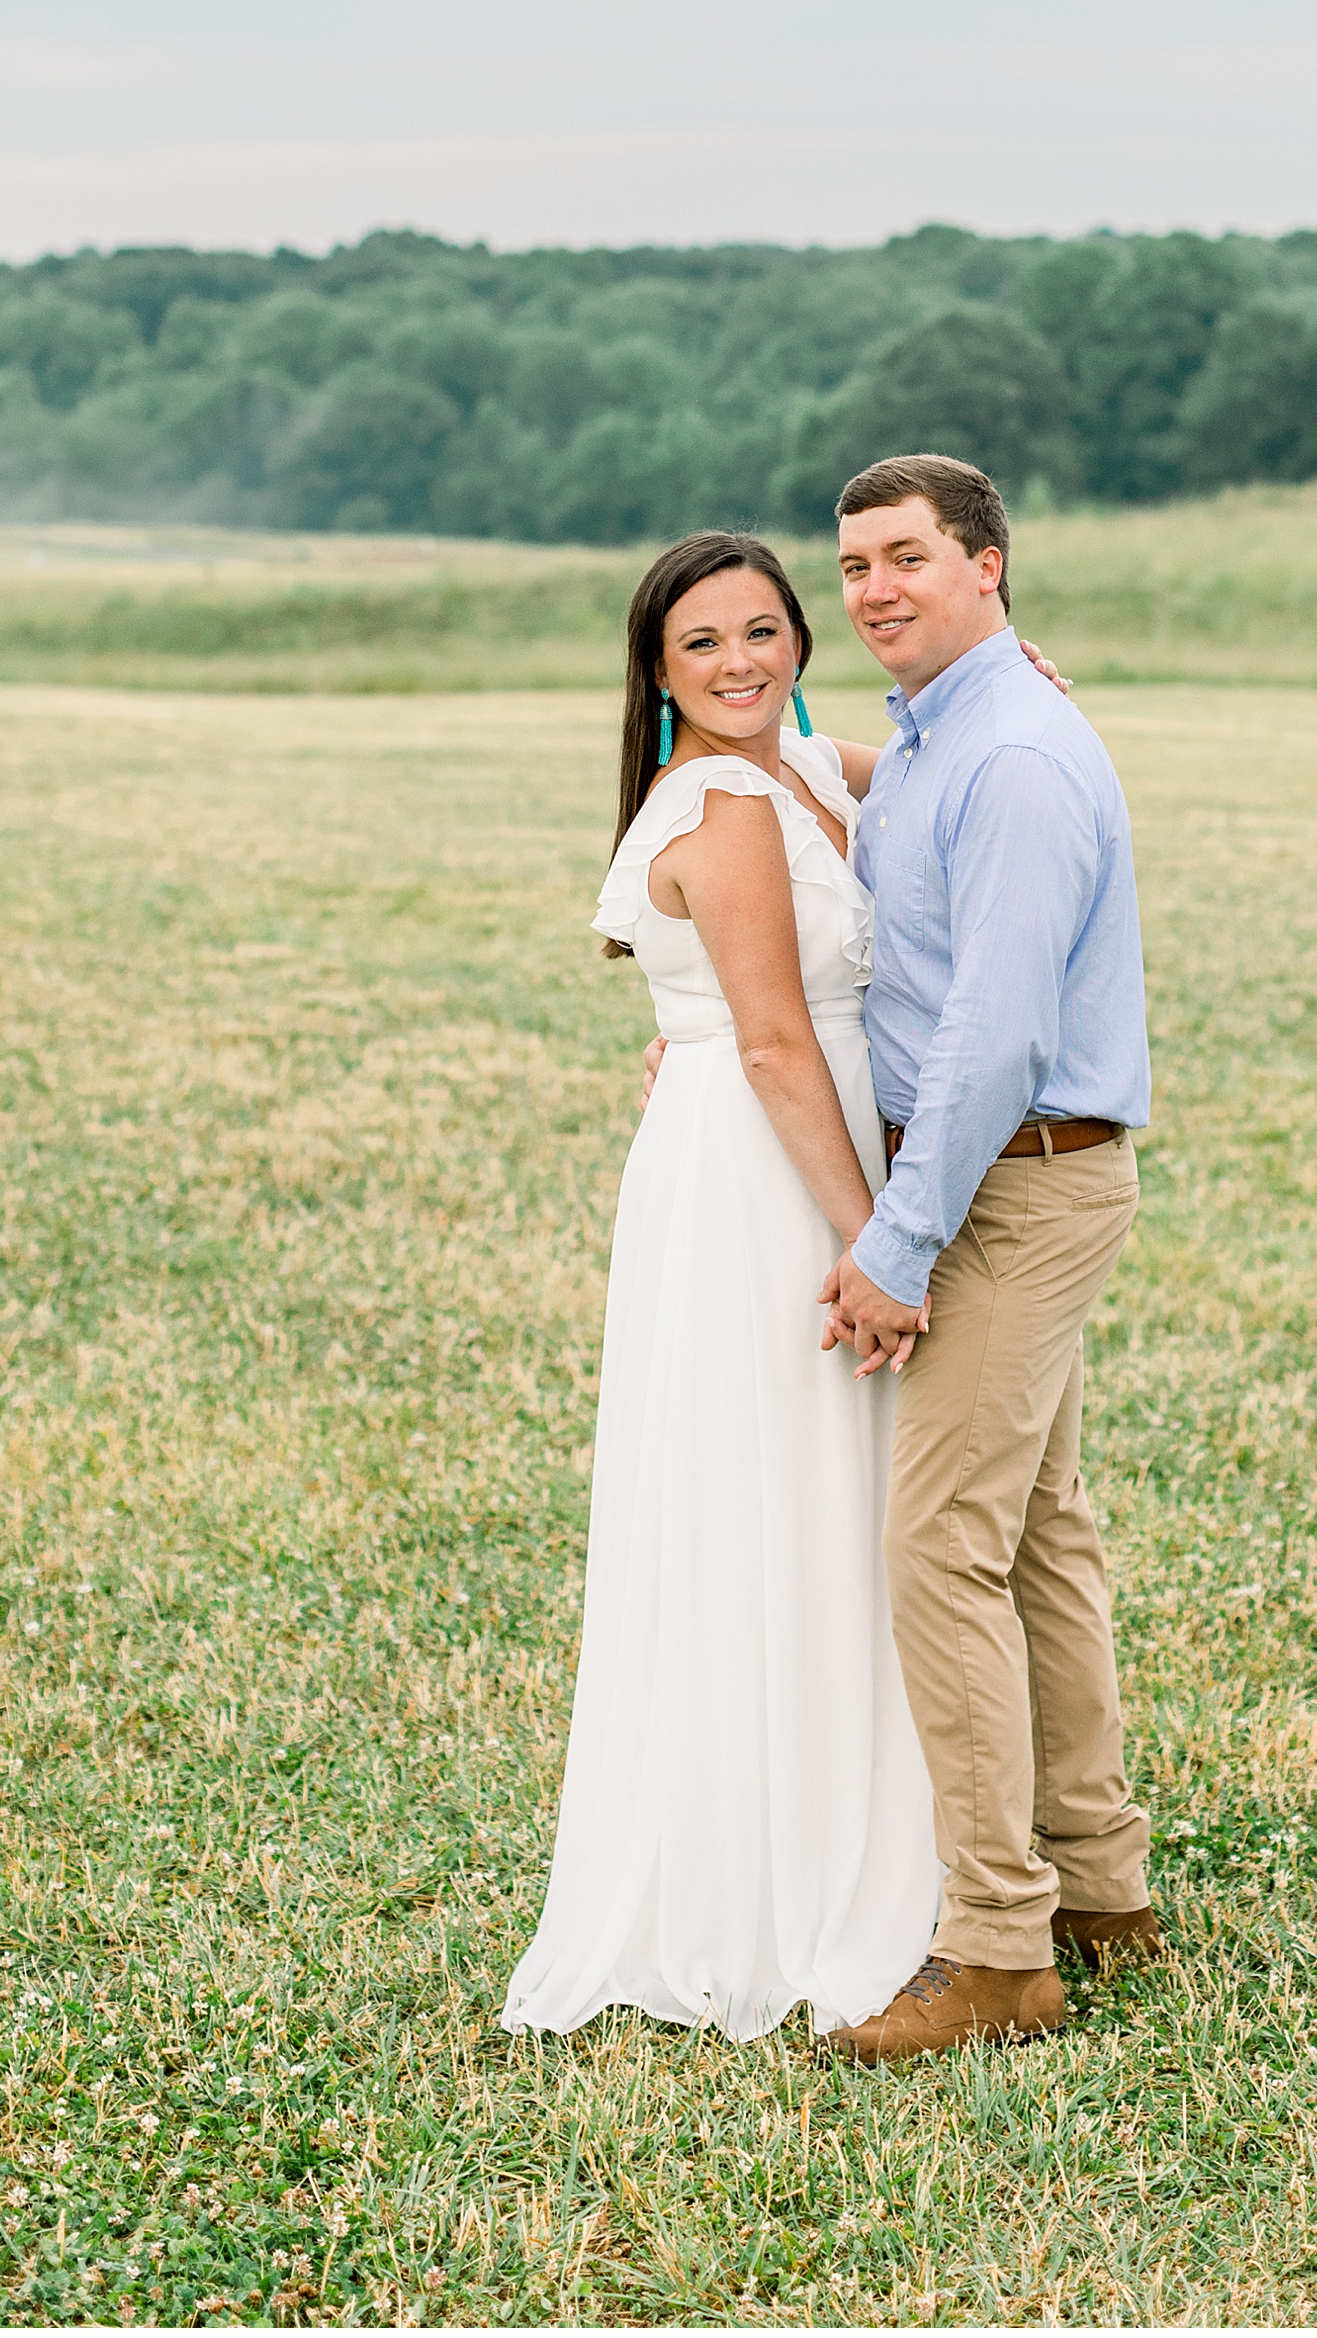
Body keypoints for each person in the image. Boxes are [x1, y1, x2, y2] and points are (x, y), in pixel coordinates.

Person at [501, 530, 1071, 2041]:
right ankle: (791, 1869)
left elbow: (913, 764)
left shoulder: (808, 768)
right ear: (659, 672)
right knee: (783, 1496)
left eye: (766, 629)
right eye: (705, 645)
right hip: (769, 1177)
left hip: (774, 1143)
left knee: (831, 1495)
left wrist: (1007, 681)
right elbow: (766, 1041)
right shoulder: (729, 805)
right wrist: (875, 1239)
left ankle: (894, 1835)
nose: (743, 660)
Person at [811, 453, 1160, 2066]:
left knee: (940, 1545)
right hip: (1014, 1183)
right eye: (857, 565)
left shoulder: (1011, 753)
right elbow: (809, 762)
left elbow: (995, 1035)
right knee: (1035, 1535)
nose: (875, 589)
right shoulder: (962, 728)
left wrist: (897, 1239)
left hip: (1011, 1186)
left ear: (989, 562)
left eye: (907, 558)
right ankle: (1099, 1891)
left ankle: (997, 1945)